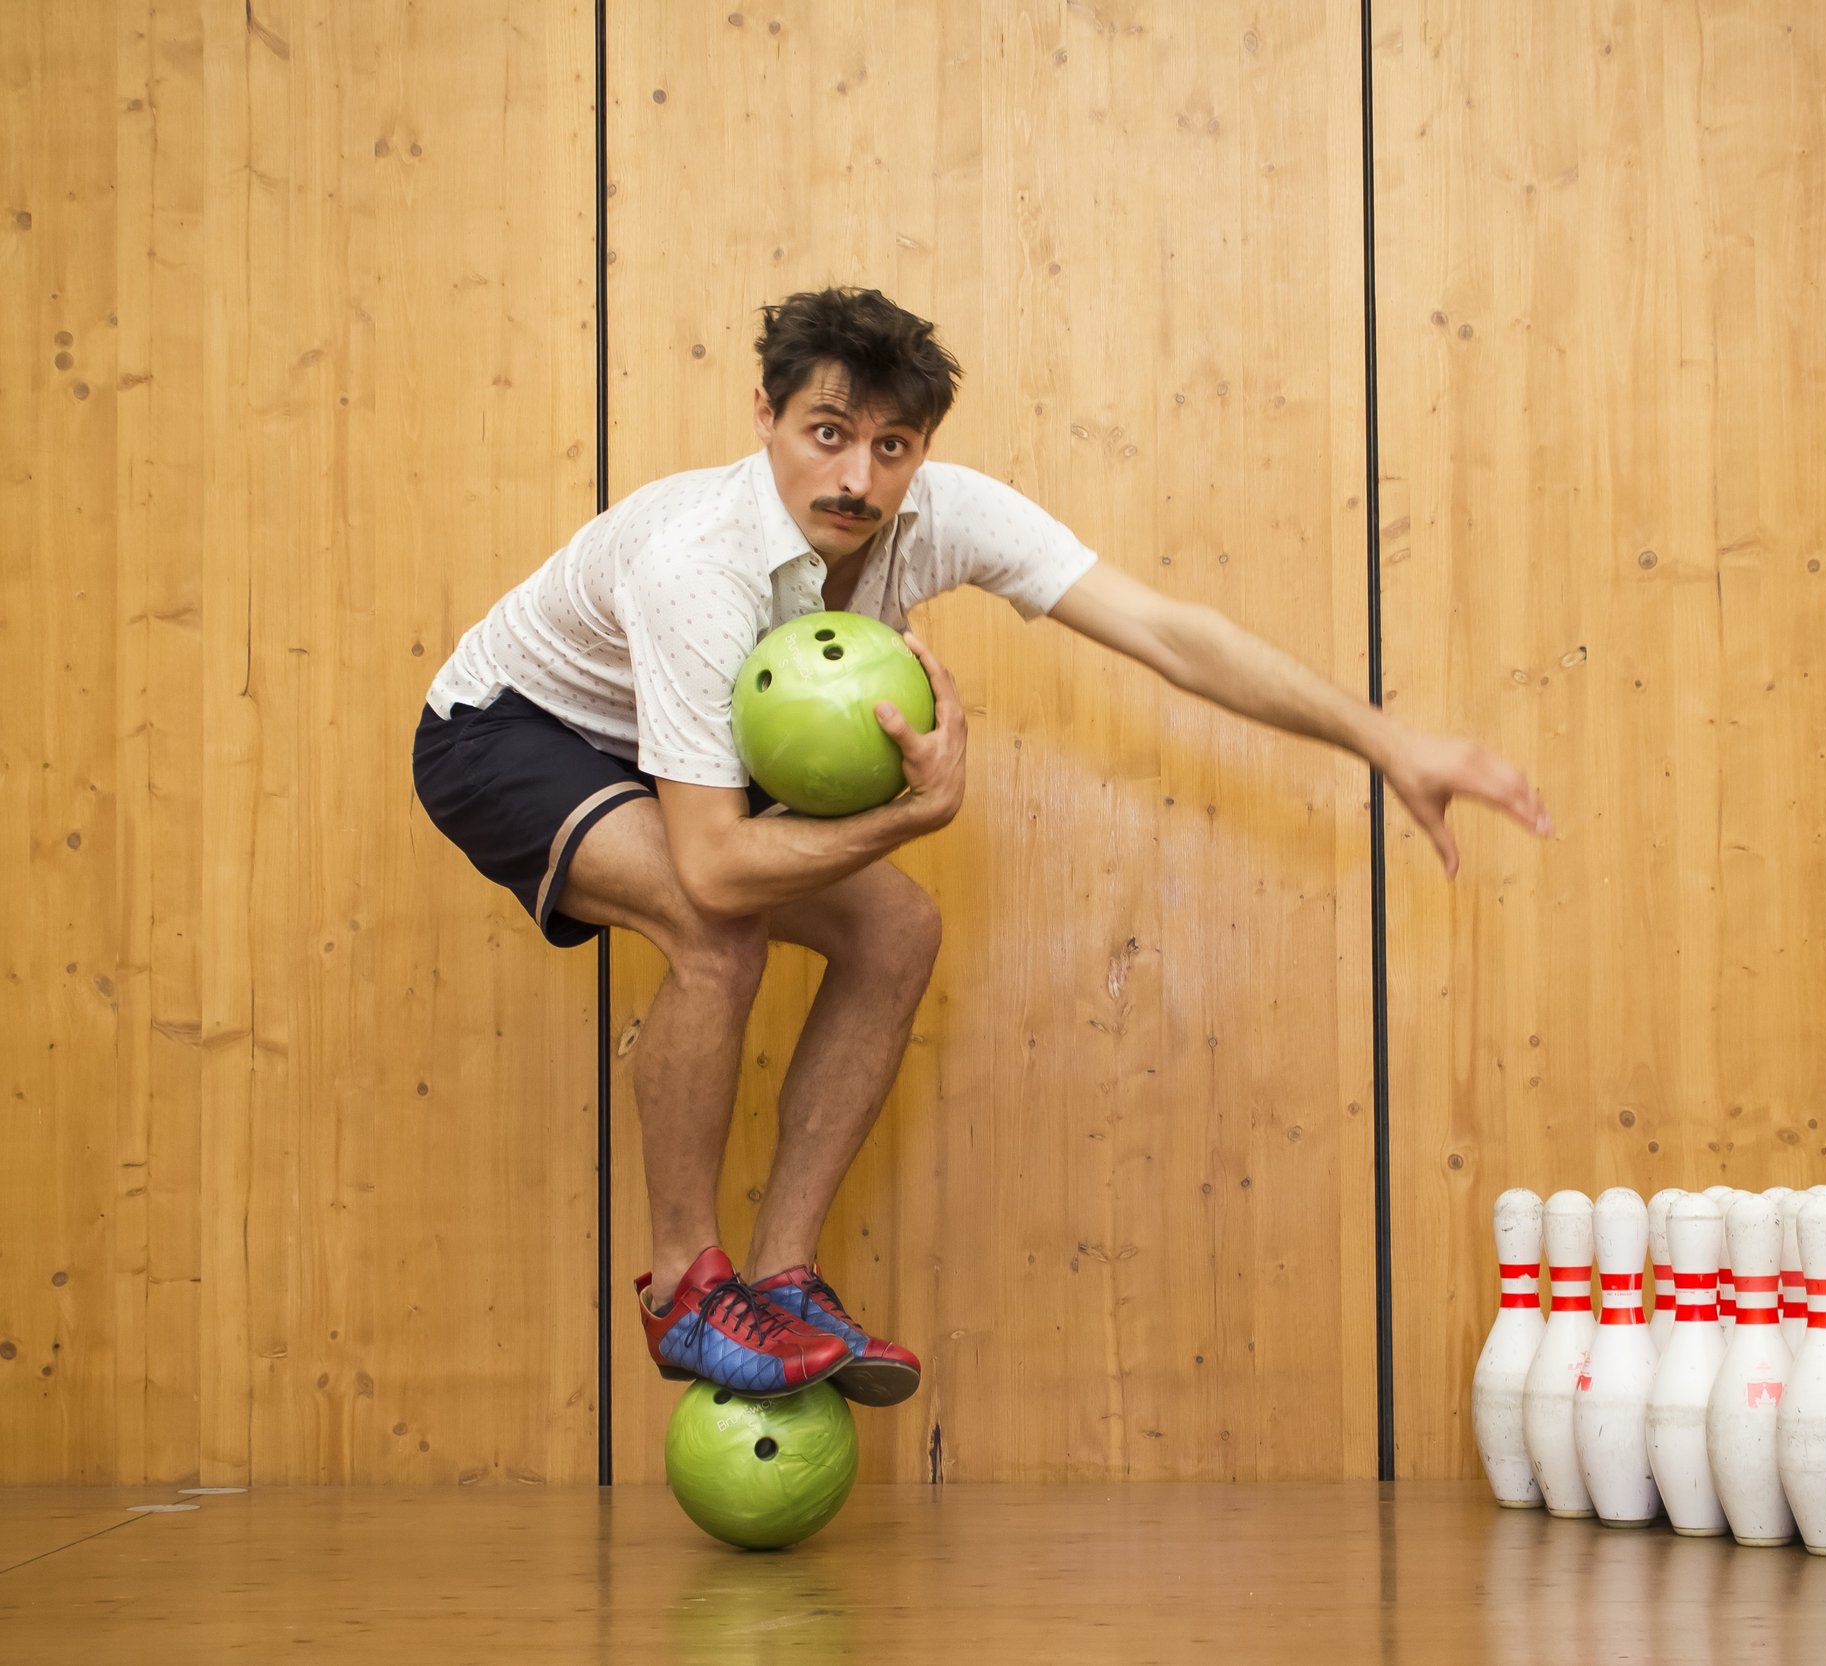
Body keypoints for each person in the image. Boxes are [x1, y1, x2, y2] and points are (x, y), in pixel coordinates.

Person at [412, 286, 1548, 1403]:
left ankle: (783, 1279)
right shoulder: (696, 562)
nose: (857, 477)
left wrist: (1384, 740)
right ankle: (686, 1289)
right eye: (826, 434)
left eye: (890, 445)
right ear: (764, 417)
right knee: (718, 933)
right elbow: (711, 867)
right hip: (517, 730)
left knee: (898, 929)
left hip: (684, 753)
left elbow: (1163, 631)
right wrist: (908, 815)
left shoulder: (942, 516)